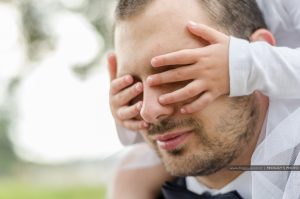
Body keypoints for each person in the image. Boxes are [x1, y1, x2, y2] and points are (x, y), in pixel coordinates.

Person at [108, 0, 300, 198]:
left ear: (261, 50)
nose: (148, 112)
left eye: (179, 72)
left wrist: (246, 66)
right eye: (131, 83)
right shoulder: (133, 183)